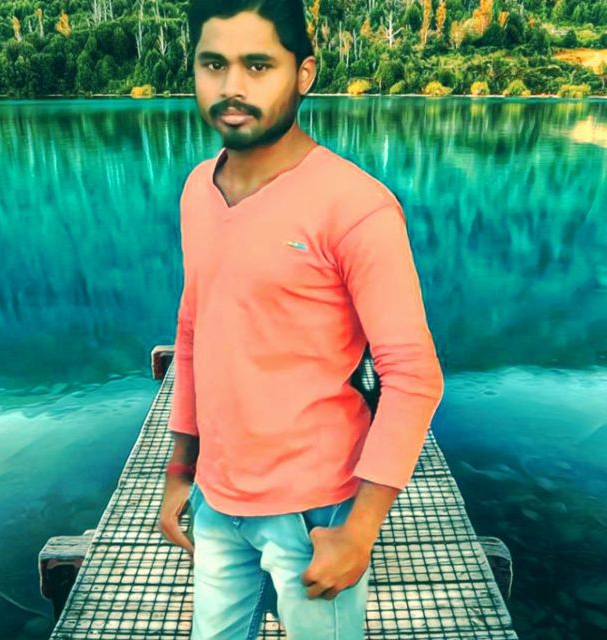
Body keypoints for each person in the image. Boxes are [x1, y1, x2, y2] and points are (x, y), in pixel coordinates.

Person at [158, 1, 445, 639]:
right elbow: (193, 330)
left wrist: (361, 529)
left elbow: (413, 375)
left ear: (304, 73)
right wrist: (181, 469)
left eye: (258, 65)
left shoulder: (356, 207)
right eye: (213, 64)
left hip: (317, 511)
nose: (232, 86)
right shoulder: (198, 189)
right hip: (217, 497)